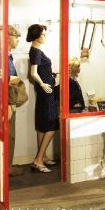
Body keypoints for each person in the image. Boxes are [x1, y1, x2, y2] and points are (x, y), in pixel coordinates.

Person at [28, 24, 59, 173]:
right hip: (46, 93)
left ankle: (43, 157)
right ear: (37, 35)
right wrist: (43, 84)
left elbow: (39, 71)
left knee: (42, 124)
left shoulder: (37, 51)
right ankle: (38, 160)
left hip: (44, 92)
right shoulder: (36, 51)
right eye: (44, 34)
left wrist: (50, 76)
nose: (45, 36)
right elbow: (33, 73)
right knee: (52, 125)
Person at [7, 25, 24, 176]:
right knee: (8, 134)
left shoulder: (8, 56)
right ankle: (7, 167)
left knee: (11, 133)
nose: (18, 40)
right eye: (16, 37)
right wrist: (14, 79)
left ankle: (8, 165)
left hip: (10, 99)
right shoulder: (3, 56)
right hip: (5, 101)